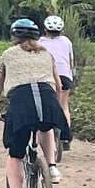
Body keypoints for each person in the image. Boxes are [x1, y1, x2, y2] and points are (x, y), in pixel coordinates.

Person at [0, 18, 68, 188]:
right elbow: (59, 86)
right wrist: (56, 107)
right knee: (46, 126)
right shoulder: (46, 54)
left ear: (14, 36)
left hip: (21, 103)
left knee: (15, 155)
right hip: (47, 97)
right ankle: (51, 166)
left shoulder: (7, 55)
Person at [38, 15, 76, 150]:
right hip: (65, 76)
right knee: (64, 106)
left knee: (45, 106)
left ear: (45, 29)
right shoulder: (66, 41)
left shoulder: (40, 42)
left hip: (47, 78)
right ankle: (65, 136)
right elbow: (71, 62)